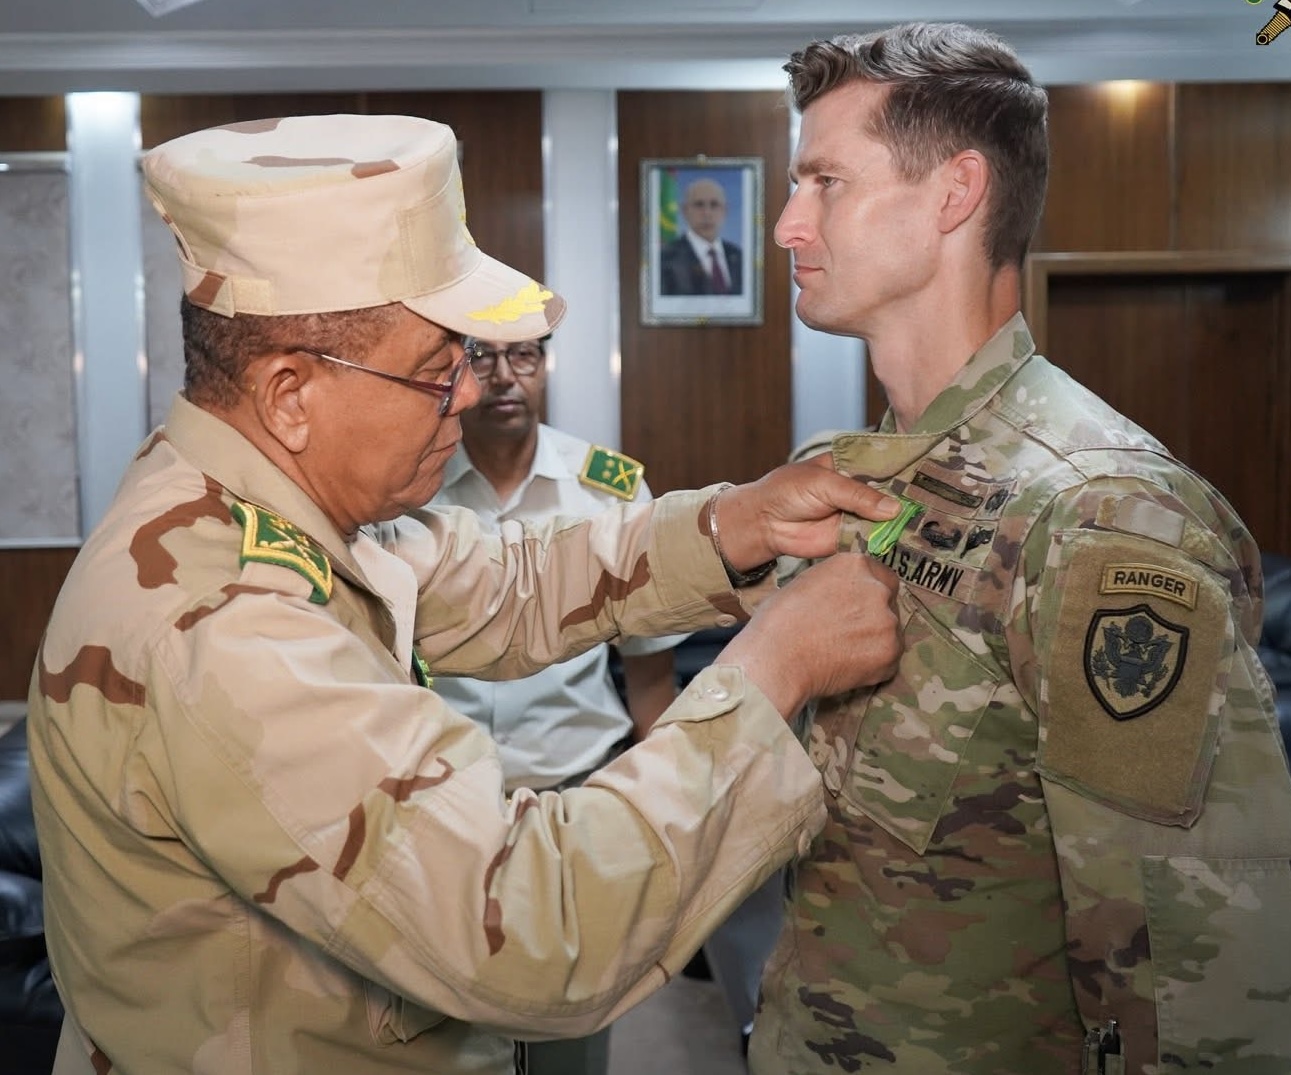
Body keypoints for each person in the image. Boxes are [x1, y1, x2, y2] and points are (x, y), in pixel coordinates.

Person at [26, 113, 905, 1075]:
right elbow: (533, 928)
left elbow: (508, 580)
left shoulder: (265, 503)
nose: (472, 396)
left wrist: (736, 525)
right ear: (290, 394)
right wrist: (772, 668)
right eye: (434, 372)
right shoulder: (227, 623)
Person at [750, 22, 1291, 1075]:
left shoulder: (1102, 514)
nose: (786, 225)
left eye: (824, 183)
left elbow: (1194, 976)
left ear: (954, 194)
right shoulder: (853, 474)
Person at [427, 331, 687, 1075]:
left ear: (544, 366)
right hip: (446, 799)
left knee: (569, 1018)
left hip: (574, 792)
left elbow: (650, 676)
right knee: (444, 1020)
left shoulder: (606, 489)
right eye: (480, 356)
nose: (504, 377)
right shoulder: (414, 483)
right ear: (454, 368)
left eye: (525, 356)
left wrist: (667, 812)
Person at [660, 177, 744, 296]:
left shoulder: (739, 257)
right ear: (685, 211)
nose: (707, 213)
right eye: (699, 205)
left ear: (725, 211)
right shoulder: (665, 259)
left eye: (714, 205)